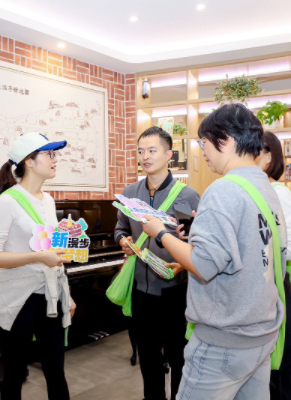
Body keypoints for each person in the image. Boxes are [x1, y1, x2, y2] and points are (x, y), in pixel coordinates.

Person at [141, 104, 287, 400]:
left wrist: (160, 233)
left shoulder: (223, 190)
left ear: (226, 139)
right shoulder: (264, 186)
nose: (202, 151)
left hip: (224, 340)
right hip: (260, 333)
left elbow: (204, 264)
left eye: (204, 142)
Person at [0, 132, 76, 400]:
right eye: (49, 154)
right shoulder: (8, 201)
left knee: (56, 372)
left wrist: (67, 294)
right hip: (17, 301)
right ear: (29, 161)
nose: (55, 159)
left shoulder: (48, 200)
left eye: (55, 154)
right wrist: (38, 257)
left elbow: (52, 251)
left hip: (50, 296)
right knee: (14, 376)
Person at [114, 126, 200, 400]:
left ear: (168, 155)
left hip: (175, 291)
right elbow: (120, 228)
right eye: (141, 151)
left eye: (152, 150)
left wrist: (183, 265)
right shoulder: (130, 193)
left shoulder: (186, 196)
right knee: (149, 361)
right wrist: (123, 241)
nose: (145, 157)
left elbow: (194, 243)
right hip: (141, 291)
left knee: (179, 358)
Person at [256, 131, 291, 400]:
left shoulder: (279, 193)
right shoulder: (256, 192)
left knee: (279, 380)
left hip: (279, 294)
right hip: (263, 297)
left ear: (268, 157)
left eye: (252, 151)